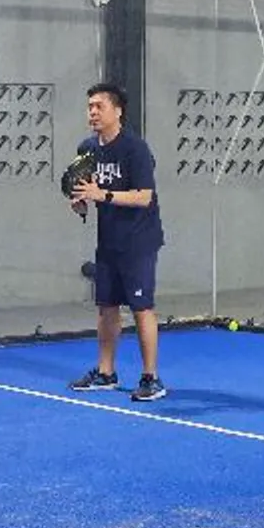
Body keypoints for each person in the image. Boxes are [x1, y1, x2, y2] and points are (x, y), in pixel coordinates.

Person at [68, 82, 166, 402]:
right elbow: (85, 191)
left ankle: (151, 378)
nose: (93, 112)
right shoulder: (87, 149)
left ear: (118, 111)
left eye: (100, 106)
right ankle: (106, 373)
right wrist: (81, 203)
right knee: (106, 306)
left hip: (139, 241)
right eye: (90, 107)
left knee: (141, 307)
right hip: (108, 240)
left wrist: (103, 195)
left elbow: (144, 196)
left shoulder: (136, 149)